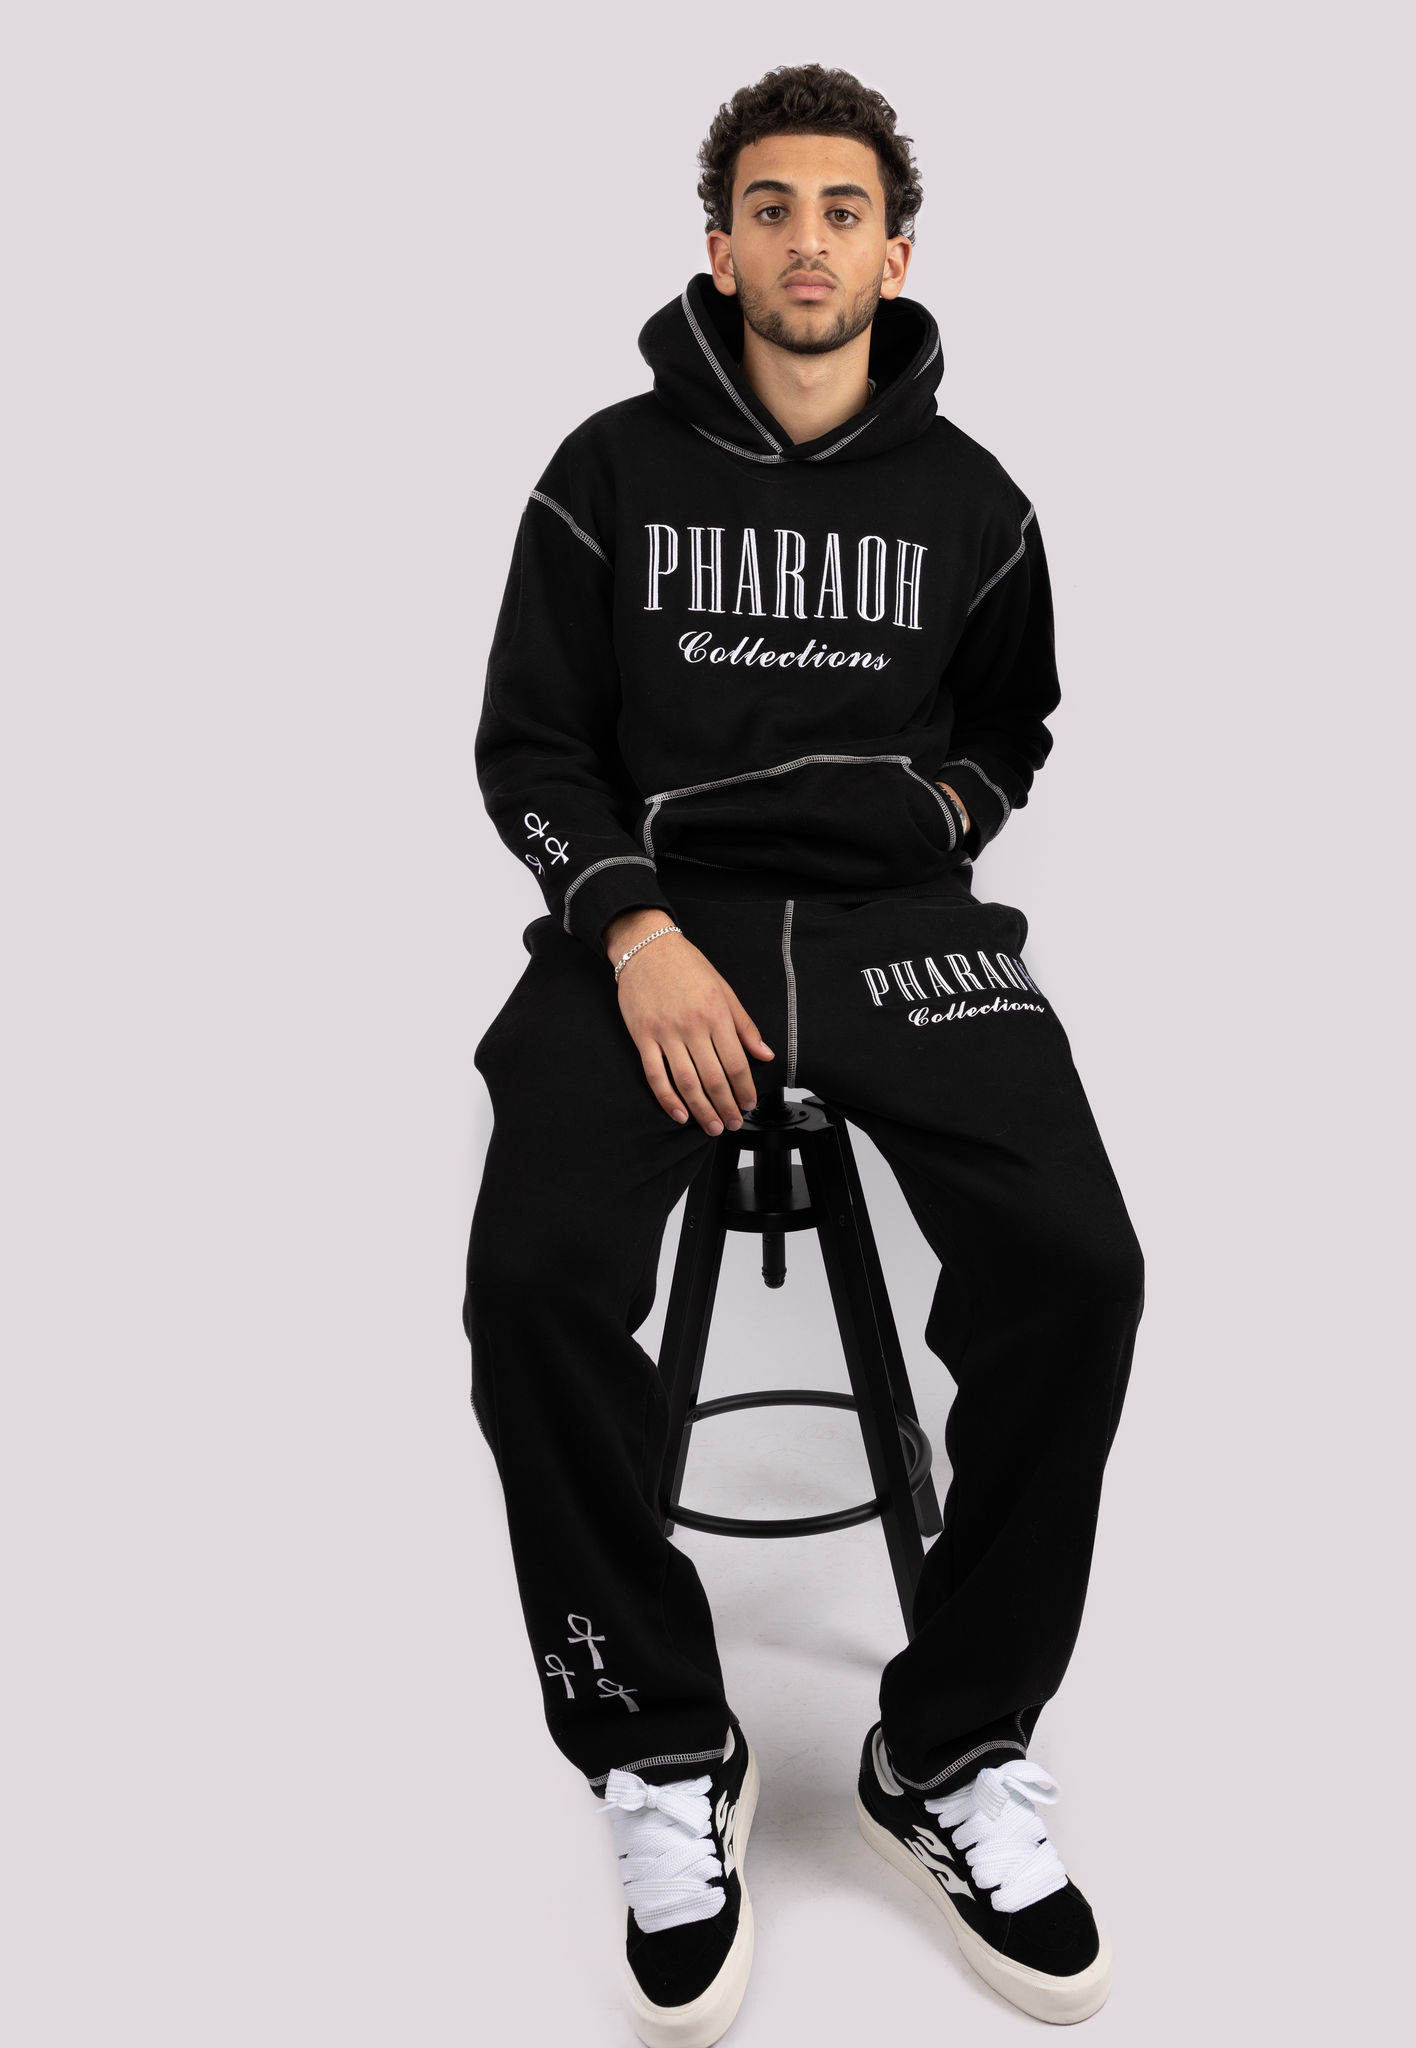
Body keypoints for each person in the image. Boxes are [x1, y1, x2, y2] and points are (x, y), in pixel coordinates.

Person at [467, 63, 1144, 2045]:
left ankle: (951, 1743)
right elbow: (528, 750)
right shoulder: (603, 471)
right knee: (530, 1284)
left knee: (1080, 1268)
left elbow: (1012, 725)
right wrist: (634, 929)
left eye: (842, 209)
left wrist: (940, 819)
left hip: (893, 927)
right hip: (652, 926)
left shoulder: (976, 499)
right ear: (720, 244)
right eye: (769, 206)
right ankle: (658, 1740)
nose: (806, 240)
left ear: (894, 250)